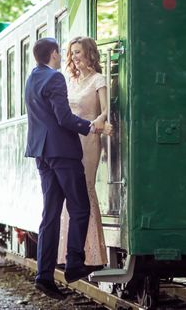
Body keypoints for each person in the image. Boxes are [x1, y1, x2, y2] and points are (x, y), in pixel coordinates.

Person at [24, 38, 112, 300]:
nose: (63, 57)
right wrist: (91, 127)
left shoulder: (32, 78)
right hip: (63, 152)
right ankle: (74, 262)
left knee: (50, 214)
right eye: (61, 53)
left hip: (41, 153)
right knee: (80, 206)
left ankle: (44, 275)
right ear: (53, 54)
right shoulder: (55, 78)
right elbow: (63, 118)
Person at [57, 36, 109, 268]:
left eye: (78, 52)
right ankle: (69, 252)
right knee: (71, 191)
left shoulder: (98, 79)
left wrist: (98, 122)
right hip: (70, 139)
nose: (74, 57)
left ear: (89, 54)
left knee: (85, 188)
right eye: (72, 53)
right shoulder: (71, 81)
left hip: (89, 139)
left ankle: (93, 253)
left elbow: (106, 110)